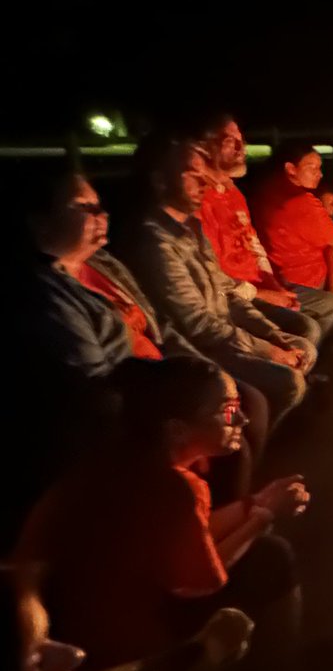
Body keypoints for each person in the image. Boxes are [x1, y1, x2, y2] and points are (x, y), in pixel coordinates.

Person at [16, 357, 307, 671]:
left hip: (56, 618)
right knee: (271, 555)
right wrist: (264, 516)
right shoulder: (170, 485)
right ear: (177, 430)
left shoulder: (122, 458)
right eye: (227, 410)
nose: (242, 418)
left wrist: (252, 506)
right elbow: (199, 582)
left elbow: (182, 539)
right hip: (102, 643)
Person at [22, 162, 270, 497]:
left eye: (100, 205)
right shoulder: (47, 296)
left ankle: (222, 514)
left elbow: (158, 326)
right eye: (84, 207)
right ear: (40, 223)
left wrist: (208, 371)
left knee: (247, 401)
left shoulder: (103, 265)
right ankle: (201, 525)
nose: (101, 214)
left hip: (166, 375)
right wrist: (175, 412)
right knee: (231, 427)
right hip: (137, 403)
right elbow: (95, 385)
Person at [129, 134, 315, 428]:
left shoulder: (191, 228)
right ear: (159, 181)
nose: (203, 182)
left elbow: (226, 294)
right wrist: (268, 350)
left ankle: (262, 427)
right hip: (198, 350)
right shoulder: (155, 244)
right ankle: (240, 440)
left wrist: (273, 337)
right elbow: (198, 325)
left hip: (224, 334)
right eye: (191, 174)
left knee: (301, 345)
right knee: (288, 380)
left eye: (203, 173)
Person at [199, 116, 333, 345]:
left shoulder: (234, 193)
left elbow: (253, 244)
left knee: (323, 307)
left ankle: (302, 360)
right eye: (229, 140)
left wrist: (272, 285)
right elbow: (211, 278)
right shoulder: (199, 204)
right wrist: (265, 293)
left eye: (241, 139)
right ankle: (295, 362)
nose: (241, 147)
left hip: (267, 280)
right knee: (313, 323)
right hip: (239, 296)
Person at [253, 141, 333, 298]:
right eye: (312, 168)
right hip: (306, 279)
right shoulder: (302, 202)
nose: (320, 174)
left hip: (274, 273)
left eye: (319, 168)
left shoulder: (265, 192)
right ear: (291, 169)